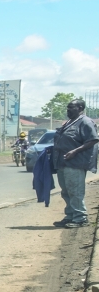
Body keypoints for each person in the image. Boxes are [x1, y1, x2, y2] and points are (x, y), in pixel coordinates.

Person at [52, 98, 98, 228]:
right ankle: (71, 215)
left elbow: (93, 140)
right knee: (66, 191)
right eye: (68, 107)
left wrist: (75, 151)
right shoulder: (69, 122)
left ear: (80, 108)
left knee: (75, 191)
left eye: (71, 107)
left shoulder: (85, 122)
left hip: (75, 163)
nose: (68, 110)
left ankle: (80, 218)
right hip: (63, 163)